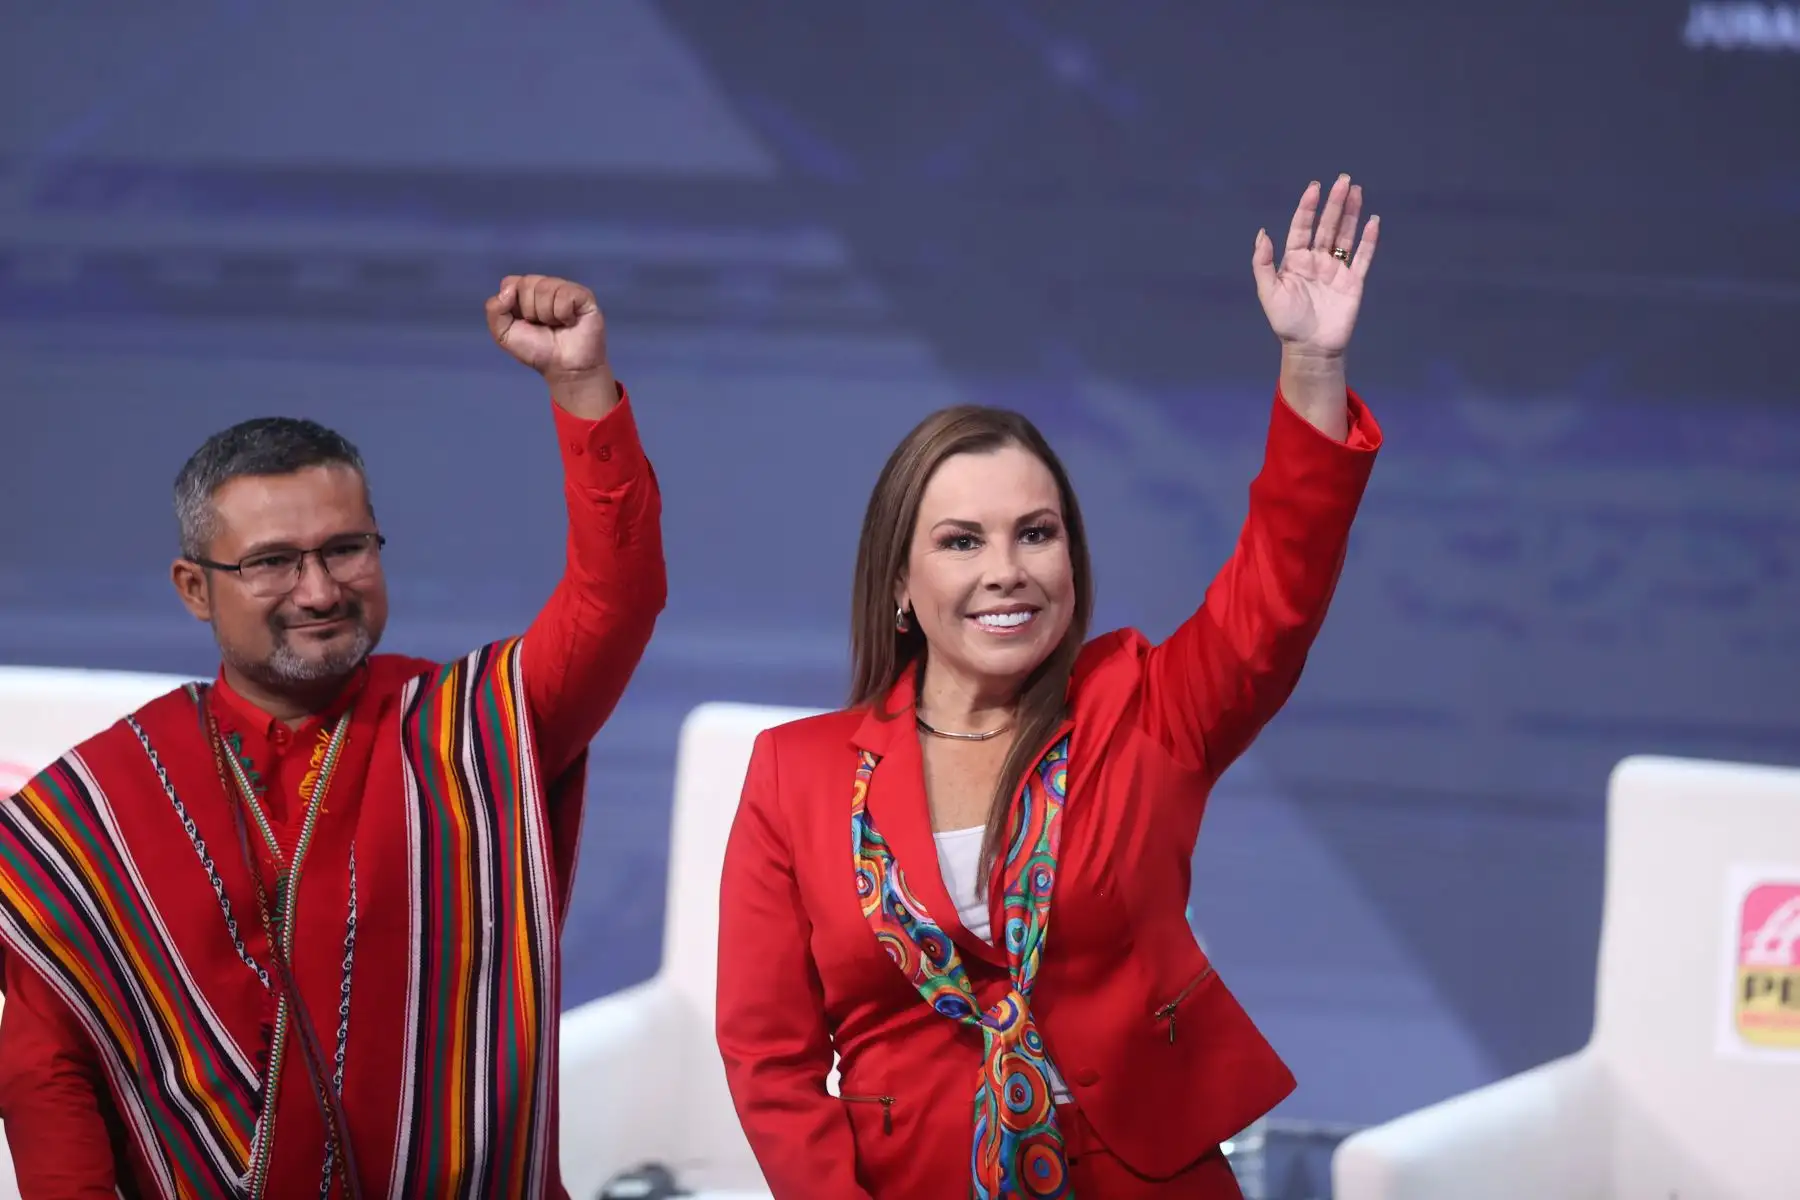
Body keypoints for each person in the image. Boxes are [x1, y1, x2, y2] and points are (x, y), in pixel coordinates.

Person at [715, 175, 1384, 1198]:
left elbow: (1280, 587)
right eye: (961, 541)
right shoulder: (793, 776)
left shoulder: (1147, 709)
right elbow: (770, 1060)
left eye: (1036, 533)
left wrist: (1311, 364)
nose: (1007, 570)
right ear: (901, 582)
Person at [0, 275, 665, 1198]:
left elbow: (616, 601)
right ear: (196, 588)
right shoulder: (96, 806)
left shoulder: (471, 731)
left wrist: (581, 391)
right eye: (273, 562)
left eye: (345, 549)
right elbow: (46, 1072)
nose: (318, 590)